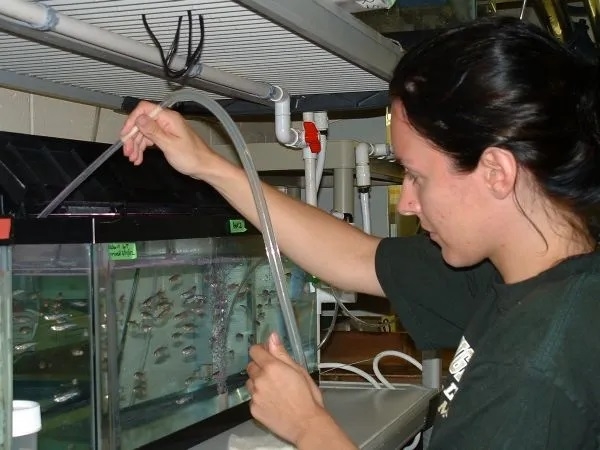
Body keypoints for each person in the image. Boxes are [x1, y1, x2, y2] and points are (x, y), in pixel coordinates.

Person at [121, 15, 600, 450]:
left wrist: (309, 426)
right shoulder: (520, 277)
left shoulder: (535, 369)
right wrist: (209, 165)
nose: (408, 203)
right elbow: (356, 258)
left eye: (417, 175)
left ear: (496, 171)